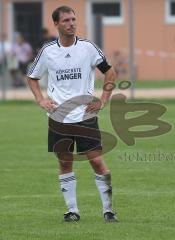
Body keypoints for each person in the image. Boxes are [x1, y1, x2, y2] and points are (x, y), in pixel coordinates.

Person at [26, 6, 117, 222]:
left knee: (96, 161)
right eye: (66, 20)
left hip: (85, 115)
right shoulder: (48, 51)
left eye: (74, 19)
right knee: (65, 163)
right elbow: (32, 77)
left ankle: (109, 210)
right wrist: (41, 99)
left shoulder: (87, 48)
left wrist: (103, 101)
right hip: (58, 118)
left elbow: (110, 72)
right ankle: (72, 211)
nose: (71, 23)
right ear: (56, 24)